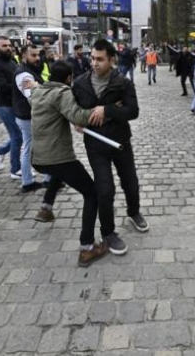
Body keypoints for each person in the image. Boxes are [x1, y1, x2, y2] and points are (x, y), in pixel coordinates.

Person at [61, 39, 146, 252]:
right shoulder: (80, 83)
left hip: (121, 142)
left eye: (100, 59)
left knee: (131, 183)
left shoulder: (122, 82)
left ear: (111, 60)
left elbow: (132, 111)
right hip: (95, 145)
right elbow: (72, 108)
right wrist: (76, 121)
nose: (95, 63)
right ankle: (108, 233)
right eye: (93, 58)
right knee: (105, 190)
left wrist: (106, 110)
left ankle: (134, 212)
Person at [29, 60, 109, 267]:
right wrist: (103, 110)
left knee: (59, 173)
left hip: (38, 157)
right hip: (56, 157)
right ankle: (87, 247)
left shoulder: (38, 92)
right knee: (92, 193)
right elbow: (78, 116)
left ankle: (46, 208)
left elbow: (56, 112)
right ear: (68, 78)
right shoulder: (62, 93)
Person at [13, 44, 49, 193]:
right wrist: (39, 87)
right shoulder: (24, 75)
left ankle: (28, 182)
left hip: (26, 116)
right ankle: (49, 179)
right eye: (33, 55)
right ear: (23, 56)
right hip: (29, 117)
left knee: (28, 148)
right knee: (44, 147)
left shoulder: (28, 71)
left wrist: (38, 85)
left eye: (38, 55)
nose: (37, 58)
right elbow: (32, 97)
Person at [0, 36, 22, 180]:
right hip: (5, 106)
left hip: (16, 104)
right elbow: (1, 87)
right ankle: (15, 169)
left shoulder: (12, 62)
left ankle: (0, 151)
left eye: (9, 45)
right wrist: (20, 86)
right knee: (17, 136)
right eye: (4, 46)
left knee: (19, 136)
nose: (8, 48)